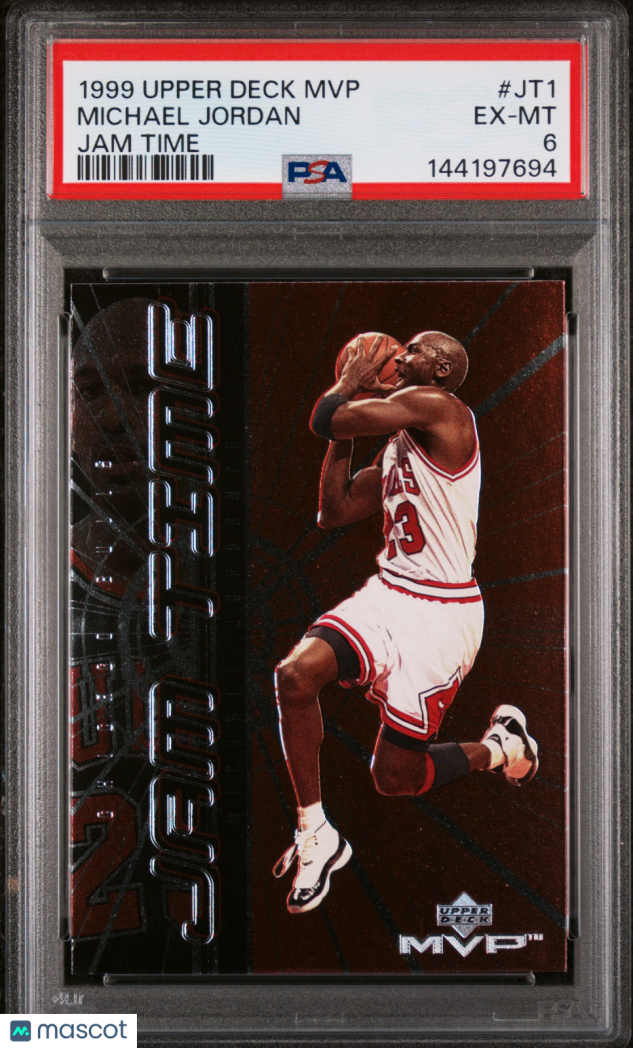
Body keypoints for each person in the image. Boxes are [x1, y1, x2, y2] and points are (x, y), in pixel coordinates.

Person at [273, 331, 539, 914]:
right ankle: (316, 832)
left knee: (393, 777)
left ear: (440, 368)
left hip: (442, 614)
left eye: (414, 349)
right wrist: (347, 423)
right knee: (294, 677)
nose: (400, 354)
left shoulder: (442, 408)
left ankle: (500, 747)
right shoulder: (399, 444)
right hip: (391, 594)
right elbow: (333, 511)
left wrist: (348, 386)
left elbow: (325, 418)